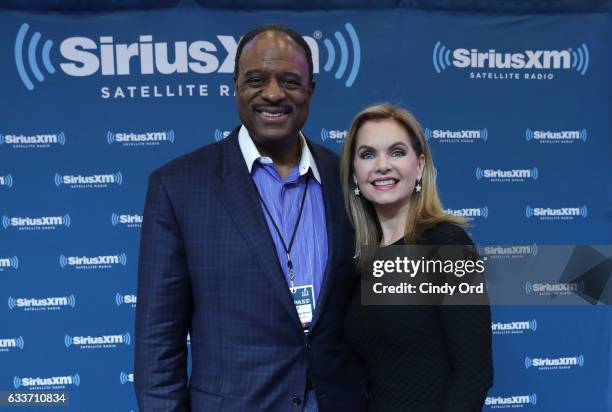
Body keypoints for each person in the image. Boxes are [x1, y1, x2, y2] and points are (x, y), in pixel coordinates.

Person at [134, 24, 367, 412]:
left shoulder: (348, 177)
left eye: (290, 81)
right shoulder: (178, 186)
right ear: (235, 86)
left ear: (311, 90)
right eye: (256, 80)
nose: (273, 93)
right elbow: (158, 341)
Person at [340, 103, 493, 411]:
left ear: (420, 165)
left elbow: (475, 375)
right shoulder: (359, 257)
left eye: (397, 152)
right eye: (367, 154)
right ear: (355, 174)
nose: (382, 165)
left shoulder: (447, 244)